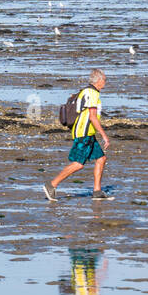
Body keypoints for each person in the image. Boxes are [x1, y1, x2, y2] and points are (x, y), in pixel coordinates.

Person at [44, 69, 112, 201]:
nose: (105, 82)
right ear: (98, 80)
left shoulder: (87, 91)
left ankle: (97, 191)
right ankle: (52, 185)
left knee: (101, 158)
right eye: (105, 79)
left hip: (88, 133)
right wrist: (104, 135)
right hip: (83, 133)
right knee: (79, 163)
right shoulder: (92, 93)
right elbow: (92, 117)